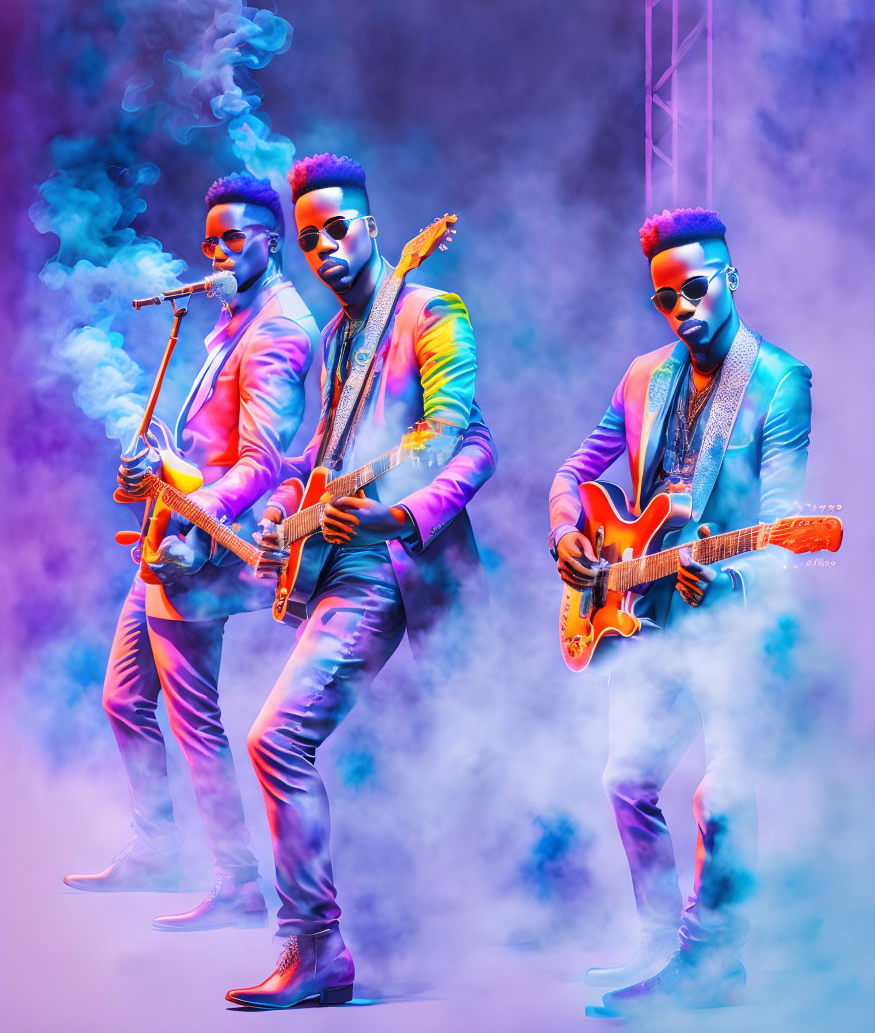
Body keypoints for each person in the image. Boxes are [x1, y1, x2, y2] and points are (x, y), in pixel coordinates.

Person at [225, 153, 495, 1009]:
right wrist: (278, 504)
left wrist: (402, 513)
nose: (324, 248)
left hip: (393, 561)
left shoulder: (429, 311)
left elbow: (465, 437)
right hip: (336, 559)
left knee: (294, 739)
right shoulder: (342, 335)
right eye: (307, 239)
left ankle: (323, 949)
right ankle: (321, 948)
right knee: (297, 741)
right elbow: (327, 451)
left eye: (337, 229)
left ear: (373, 226)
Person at [549, 207, 811, 1012]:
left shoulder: (777, 380)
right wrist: (568, 534)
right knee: (626, 778)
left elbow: (780, 524)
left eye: (695, 289)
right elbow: (574, 471)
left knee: (720, 793)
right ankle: (659, 942)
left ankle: (714, 961)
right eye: (665, 298)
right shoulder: (641, 376)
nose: (682, 310)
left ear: (730, 277)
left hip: (735, 622)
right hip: (648, 614)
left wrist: (726, 580)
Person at [64, 173, 318, 933]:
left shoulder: (278, 327)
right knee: (122, 697)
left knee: (191, 716)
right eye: (208, 240)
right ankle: (155, 847)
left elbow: (263, 462)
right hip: (172, 533)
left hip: (197, 551)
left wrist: (189, 521)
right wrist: (159, 465)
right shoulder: (230, 319)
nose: (214, 252)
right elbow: (211, 451)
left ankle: (239, 883)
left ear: (271, 240)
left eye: (233, 238)